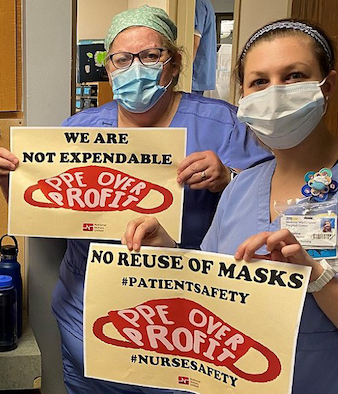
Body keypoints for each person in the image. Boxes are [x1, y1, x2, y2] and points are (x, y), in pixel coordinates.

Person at [0, 5, 270, 393]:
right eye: (122, 59)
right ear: (109, 68)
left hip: (186, 329)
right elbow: (44, 214)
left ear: (174, 63)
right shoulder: (79, 130)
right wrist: (10, 182)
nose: (136, 67)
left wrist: (229, 178)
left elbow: (272, 209)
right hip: (87, 315)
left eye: (151, 55)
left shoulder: (223, 126)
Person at [123, 19, 338, 394]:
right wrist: (168, 249)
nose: (276, 93)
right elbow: (213, 280)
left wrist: (317, 276)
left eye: (294, 76)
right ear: (244, 97)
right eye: (259, 82)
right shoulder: (242, 187)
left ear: (327, 86)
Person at [192, 0, 217, 95]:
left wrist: (183, 73)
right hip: (200, 74)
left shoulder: (198, 3)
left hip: (194, 74)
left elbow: (194, 42)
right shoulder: (206, 4)